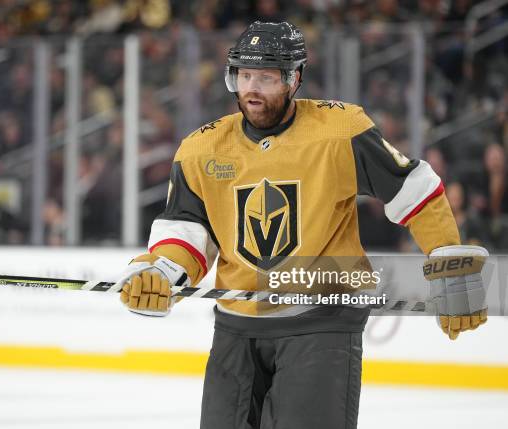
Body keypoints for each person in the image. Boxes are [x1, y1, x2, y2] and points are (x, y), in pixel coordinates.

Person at [115, 22, 489, 428]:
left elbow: (415, 189)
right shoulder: (200, 149)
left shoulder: (341, 131)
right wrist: (162, 270)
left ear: (294, 79)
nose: (252, 89)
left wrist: (447, 257)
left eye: (266, 78)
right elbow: (187, 229)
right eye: (244, 76)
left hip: (322, 322)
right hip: (236, 326)